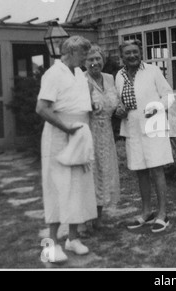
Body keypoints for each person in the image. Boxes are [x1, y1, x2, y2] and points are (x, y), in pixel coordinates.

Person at [36, 36, 97, 263]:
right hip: (59, 136)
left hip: (79, 135)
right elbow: (41, 108)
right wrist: (67, 128)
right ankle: (51, 244)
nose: (86, 59)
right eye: (83, 54)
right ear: (70, 53)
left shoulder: (80, 73)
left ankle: (73, 238)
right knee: (57, 187)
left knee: (79, 187)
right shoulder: (53, 74)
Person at [115, 39, 174, 233]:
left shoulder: (152, 71)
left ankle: (163, 214)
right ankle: (147, 211)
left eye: (135, 52)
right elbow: (119, 100)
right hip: (132, 127)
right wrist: (119, 109)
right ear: (122, 56)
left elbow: (168, 96)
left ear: (141, 53)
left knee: (156, 169)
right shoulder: (120, 75)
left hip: (153, 124)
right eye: (127, 53)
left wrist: (156, 108)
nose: (132, 55)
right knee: (140, 170)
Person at [85, 44, 120, 229]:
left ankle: (98, 219)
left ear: (103, 60)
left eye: (97, 58)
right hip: (88, 132)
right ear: (84, 62)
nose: (94, 62)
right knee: (89, 174)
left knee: (103, 174)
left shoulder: (109, 78)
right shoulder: (82, 79)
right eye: (90, 59)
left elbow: (115, 102)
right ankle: (83, 221)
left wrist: (121, 109)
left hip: (106, 133)